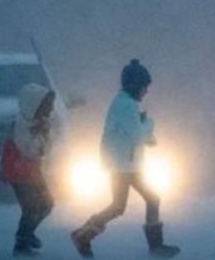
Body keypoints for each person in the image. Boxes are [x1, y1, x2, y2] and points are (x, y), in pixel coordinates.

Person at [71, 59, 180, 259]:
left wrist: (143, 126)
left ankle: (83, 235)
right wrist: (149, 122)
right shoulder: (126, 105)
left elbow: (134, 133)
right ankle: (155, 247)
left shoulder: (123, 103)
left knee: (119, 206)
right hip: (123, 165)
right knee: (146, 199)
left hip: (124, 163)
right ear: (135, 85)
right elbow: (138, 136)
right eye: (144, 87)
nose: (146, 91)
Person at [0, 83, 56, 257]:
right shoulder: (21, 126)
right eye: (46, 107)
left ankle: (27, 234)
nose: (49, 111)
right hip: (19, 172)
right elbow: (31, 150)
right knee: (31, 208)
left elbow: (46, 149)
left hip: (31, 172)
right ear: (34, 106)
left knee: (47, 204)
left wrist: (44, 134)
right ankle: (22, 241)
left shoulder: (38, 122)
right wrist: (41, 135)